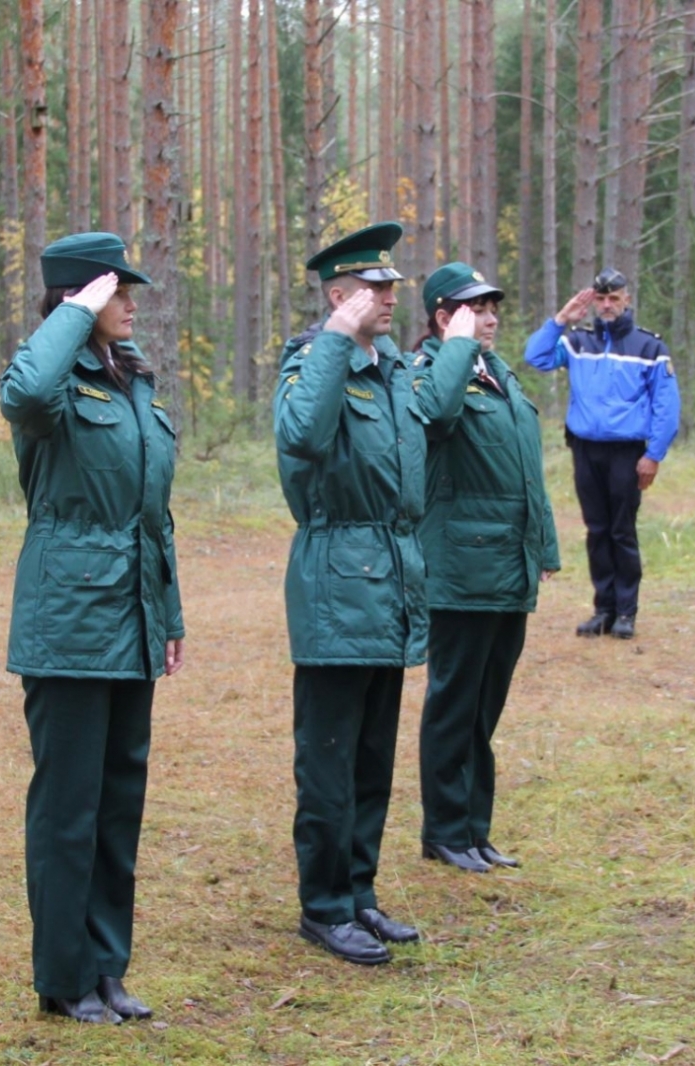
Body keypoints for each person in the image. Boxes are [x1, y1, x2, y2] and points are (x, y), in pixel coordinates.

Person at [273, 223, 475, 965]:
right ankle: (323, 907)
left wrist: (457, 343)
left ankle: (359, 891)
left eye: (393, 286)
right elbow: (299, 436)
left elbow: (437, 417)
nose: (391, 297)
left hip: (391, 580)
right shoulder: (310, 365)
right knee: (327, 761)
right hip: (336, 582)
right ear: (337, 297)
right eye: (374, 288)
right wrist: (332, 339)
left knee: (370, 759)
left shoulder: (391, 371)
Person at [0, 232, 186, 1024]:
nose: (133, 305)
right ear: (80, 298)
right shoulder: (50, 383)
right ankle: (63, 976)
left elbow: (155, 517)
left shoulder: (132, 382)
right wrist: (73, 315)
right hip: (70, 619)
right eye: (118, 292)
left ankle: (108, 967)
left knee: (117, 805)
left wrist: (170, 613)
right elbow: (26, 391)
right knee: (68, 808)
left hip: (133, 616)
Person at [412, 262, 561, 874]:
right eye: (478, 308)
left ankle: (475, 827)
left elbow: (528, 471)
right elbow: (435, 418)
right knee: (454, 702)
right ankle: (444, 829)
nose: (493, 317)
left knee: (486, 705)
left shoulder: (497, 373)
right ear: (444, 317)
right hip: (459, 569)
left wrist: (543, 547)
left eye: (494, 305)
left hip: (507, 564)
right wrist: (455, 348)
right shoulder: (430, 372)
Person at [523, 268, 679, 639]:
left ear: (627, 300)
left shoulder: (649, 347)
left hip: (627, 452)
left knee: (621, 531)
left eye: (615, 298)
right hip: (586, 449)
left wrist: (654, 455)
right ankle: (603, 609)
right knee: (596, 530)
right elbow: (536, 358)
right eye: (601, 299)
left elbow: (667, 406)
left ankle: (626, 612)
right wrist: (561, 320)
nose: (607, 306)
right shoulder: (579, 342)